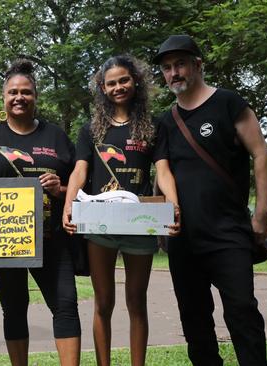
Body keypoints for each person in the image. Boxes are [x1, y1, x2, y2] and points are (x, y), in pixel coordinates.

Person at [153, 35, 267, 365]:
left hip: (228, 233)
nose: (173, 73)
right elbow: (163, 173)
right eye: (166, 68)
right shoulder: (165, 122)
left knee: (242, 311)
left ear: (197, 65)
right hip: (183, 239)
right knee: (194, 320)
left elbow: (261, 154)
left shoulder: (229, 103)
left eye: (179, 64)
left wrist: (263, 213)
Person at [61, 55, 180, 366]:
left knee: (136, 302)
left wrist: (173, 203)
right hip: (99, 225)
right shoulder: (91, 130)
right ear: (102, 87)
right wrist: (69, 206)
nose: (118, 87)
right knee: (103, 303)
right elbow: (79, 171)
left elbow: (163, 170)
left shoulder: (154, 126)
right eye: (111, 83)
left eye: (123, 80)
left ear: (135, 81)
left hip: (140, 224)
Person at [0, 59, 81, 366]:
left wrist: (60, 189)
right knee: (14, 308)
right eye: (13, 92)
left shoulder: (56, 136)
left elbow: (77, 185)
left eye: (26, 92)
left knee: (65, 305)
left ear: (36, 96)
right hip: (7, 242)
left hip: (52, 241)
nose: (19, 97)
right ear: (3, 97)